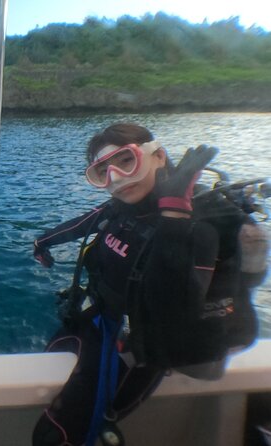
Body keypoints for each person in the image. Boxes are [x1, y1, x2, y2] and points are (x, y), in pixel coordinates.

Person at [31, 123, 268, 446]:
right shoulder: (126, 207)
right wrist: (42, 242)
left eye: (125, 161)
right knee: (47, 358)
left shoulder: (205, 221)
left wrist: (173, 212)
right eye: (102, 172)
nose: (115, 177)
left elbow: (168, 306)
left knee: (53, 438)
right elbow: (86, 221)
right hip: (100, 319)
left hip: (139, 347)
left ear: (158, 155)